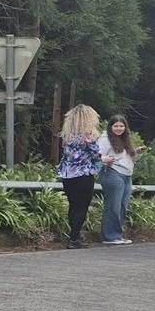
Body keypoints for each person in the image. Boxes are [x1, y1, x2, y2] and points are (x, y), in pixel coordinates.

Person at [57, 104, 101, 249]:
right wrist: (104, 159)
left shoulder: (67, 136)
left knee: (73, 205)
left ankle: (74, 234)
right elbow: (95, 154)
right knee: (82, 206)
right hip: (83, 174)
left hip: (67, 175)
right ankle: (74, 238)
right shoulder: (89, 136)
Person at [97, 113, 141, 245]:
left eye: (121, 126)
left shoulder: (125, 139)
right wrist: (105, 160)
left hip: (127, 174)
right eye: (116, 126)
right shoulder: (105, 139)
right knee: (113, 205)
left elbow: (128, 159)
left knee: (122, 206)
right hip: (112, 173)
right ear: (110, 126)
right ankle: (109, 236)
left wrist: (137, 153)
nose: (119, 128)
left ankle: (117, 235)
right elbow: (97, 155)